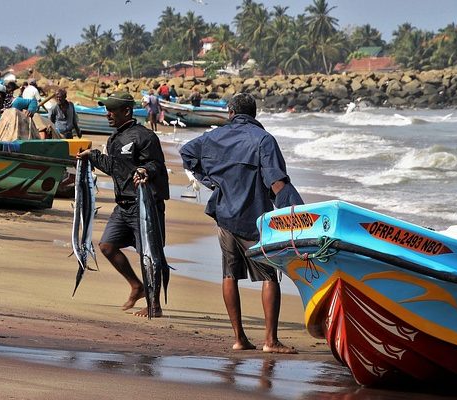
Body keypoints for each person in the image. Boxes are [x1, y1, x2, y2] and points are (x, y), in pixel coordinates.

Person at [179, 93, 303, 353]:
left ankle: (239, 339)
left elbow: (187, 152)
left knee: (229, 274)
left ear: (230, 113)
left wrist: (210, 181)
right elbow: (277, 182)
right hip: (254, 218)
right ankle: (270, 341)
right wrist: (298, 214)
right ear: (254, 114)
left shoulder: (214, 137)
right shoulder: (263, 140)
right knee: (270, 275)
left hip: (224, 215)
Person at [76, 92, 169, 318]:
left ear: (126, 111)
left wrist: (145, 170)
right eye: (107, 110)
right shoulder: (115, 139)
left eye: (112, 110)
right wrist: (92, 156)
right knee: (107, 246)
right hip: (123, 206)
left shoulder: (145, 137)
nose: (107, 114)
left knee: (149, 254)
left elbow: (156, 164)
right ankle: (136, 286)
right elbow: (113, 167)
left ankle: (154, 304)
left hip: (145, 205)